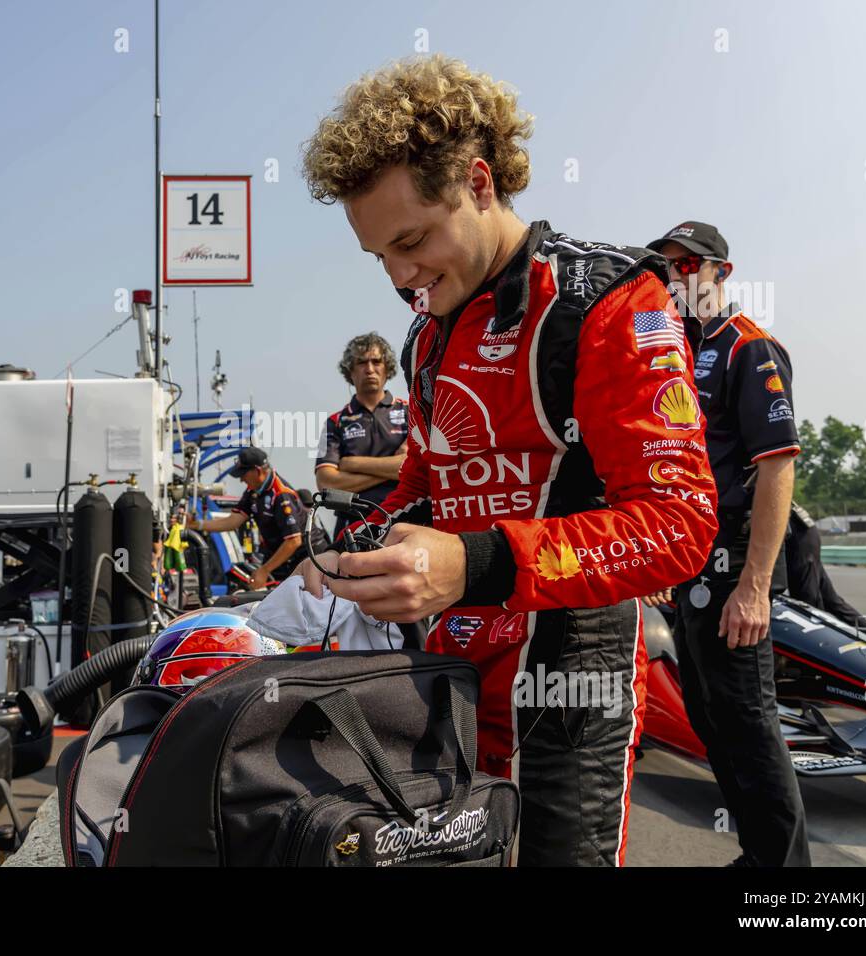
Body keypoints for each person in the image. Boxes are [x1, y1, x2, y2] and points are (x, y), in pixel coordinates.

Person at [296, 56, 718, 866]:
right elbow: (425, 482)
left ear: (479, 183)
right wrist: (350, 553)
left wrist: (474, 561)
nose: (401, 278)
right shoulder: (428, 334)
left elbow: (680, 528)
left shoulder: (608, 298)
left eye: (413, 241)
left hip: (566, 686)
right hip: (442, 677)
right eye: (378, 256)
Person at [644, 219, 810, 867]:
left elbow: (777, 467)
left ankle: (786, 877)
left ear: (721, 273)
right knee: (710, 720)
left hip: (736, 564)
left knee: (749, 723)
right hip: (690, 563)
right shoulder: (674, 349)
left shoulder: (751, 348)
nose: (676, 278)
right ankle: (761, 853)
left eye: (689, 265)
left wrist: (755, 586)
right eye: (666, 268)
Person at [188, 447, 327, 590]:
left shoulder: (280, 494)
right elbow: (233, 520)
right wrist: (197, 525)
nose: (241, 479)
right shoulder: (253, 491)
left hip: (310, 556)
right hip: (285, 557)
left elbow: (293, 541)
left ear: (258, 471)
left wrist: (264, 570)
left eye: (243, 474)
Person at [315, 332, 409, 540]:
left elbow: (409, 466)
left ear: (387, 368)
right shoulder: (334, 422)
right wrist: (390, 469)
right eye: (361, 362)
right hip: (352, 526)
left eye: (376, 361)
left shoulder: (411, 412)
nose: (370, 369)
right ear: (350, 370)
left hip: (404, 521)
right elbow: (325, 484)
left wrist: (351, 463)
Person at [785, 502, 866, 628]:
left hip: (797, 536)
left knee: (806, 605)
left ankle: (816, 643)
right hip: (798, 533)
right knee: (830, 601)